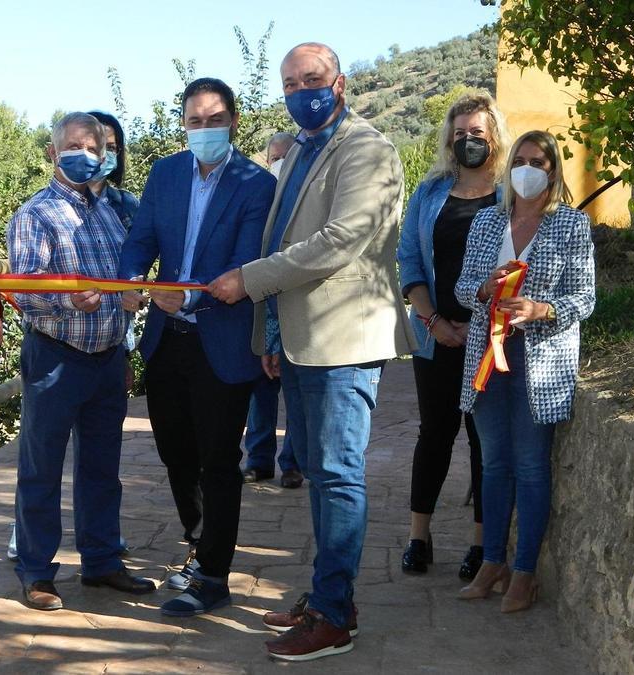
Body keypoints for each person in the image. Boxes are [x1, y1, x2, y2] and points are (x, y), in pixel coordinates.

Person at [209, 42, 414, 662]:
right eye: (291, 82)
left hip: (342, 340)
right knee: (323, 478)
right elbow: (282, 233)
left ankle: (333, 616)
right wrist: (273, 334)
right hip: (299, 343)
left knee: (337, 477)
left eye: (314, 79)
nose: (302, 90)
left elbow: (338, 241)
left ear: (340, 82)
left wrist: (251, 281)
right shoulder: (299, 148)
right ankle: (329, 598)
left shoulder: (368, 149)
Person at [118, 77, 275, 617]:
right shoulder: (163, 174)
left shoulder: (255, 184)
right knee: (175, 454)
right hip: (166, 341)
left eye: (214, 120)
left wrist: (183, 294)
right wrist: (133, 281)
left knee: (218, 461)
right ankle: (198, 542)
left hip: (223, 339)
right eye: (194, 121)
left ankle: (213, 576)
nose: (203, 129)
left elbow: (247, 260)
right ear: (183, 123)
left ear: (233, 121)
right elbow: (140, 239)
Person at [7, 112, 154, 611]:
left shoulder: (115, 212)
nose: (85, 154)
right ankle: (36, 571)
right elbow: (25, 292)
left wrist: (128, 300)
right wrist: (70, 301)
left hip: (108, 357)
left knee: (102, 468)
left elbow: (126, 279)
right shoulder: (36, 214)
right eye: (74, 145)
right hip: (55, 358)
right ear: (53, 152)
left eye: (93, 146)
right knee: (41, 468)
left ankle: (102, 562)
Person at [454, 129, 595, 613]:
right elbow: (462, 287)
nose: (528, 169)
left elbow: (584, 298)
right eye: (521, 159)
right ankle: (492, 562)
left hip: (541, 365)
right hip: (488, 361)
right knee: (494, 464)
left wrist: (542, 309)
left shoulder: (571, 225)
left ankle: (525, 574)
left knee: (532, 469)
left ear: (553, 171)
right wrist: (480, 289)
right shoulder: (488, 221)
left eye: (538, 161)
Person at [396, 92, 511, 580]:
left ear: (495, 138)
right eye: (460, 133)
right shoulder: (430, 192)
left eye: (478, 134)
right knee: (435, 435)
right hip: (435, 335)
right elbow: (409, 259)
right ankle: (418, 537)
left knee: (484, 439)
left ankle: (481, 544)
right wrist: (434, 322)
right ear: (448, 138)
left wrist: (481, 325)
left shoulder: (512, 193)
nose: (469, 141)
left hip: (492, 339)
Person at [241, 132, 303, 490]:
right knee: (260, 395)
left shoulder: (302, 202)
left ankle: (292, 464)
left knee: (295, 395)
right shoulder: (259, 199)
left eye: (286, 157)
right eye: (274, 157)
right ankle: (259, 460)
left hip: (295, 312)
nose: (280, 163)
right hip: (261, 313)